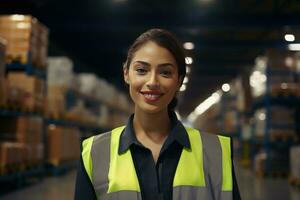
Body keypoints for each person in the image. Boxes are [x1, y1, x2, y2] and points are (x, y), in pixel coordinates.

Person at [75, 29, 241, 200]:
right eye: (141, 70)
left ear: (179, 80)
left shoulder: (215, 152)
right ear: (126, 73)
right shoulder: (95, 152)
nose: (152, 82)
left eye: (165, 72)